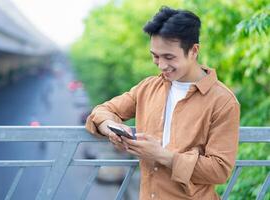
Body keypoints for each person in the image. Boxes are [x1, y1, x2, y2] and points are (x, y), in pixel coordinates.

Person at [85, 6, 240, 200]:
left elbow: (219, 170)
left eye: (169, 57)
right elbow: (102, 111)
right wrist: (111, 128)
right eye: (155, 56)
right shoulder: (148, 88)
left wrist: (162, 155)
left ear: (193, 51)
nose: (161, 65)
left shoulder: (223, 101)